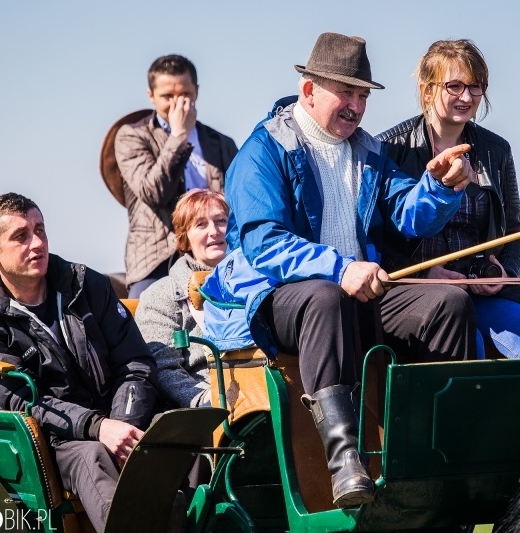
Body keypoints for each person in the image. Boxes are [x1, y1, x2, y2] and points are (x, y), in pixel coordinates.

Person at [199, 32, 478, 509]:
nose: (356, 106)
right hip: (276, 296)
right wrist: (338, 268)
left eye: (363, 96)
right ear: (309, 90)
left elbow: (408, 215)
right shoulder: (262, 150)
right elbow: (264, 243)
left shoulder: (369, 151)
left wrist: (438, 188)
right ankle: (345, 462)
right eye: (346, 93)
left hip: (356, 291)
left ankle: (439, 458)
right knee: (324, 297)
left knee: (448, 303)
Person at [0, 193, 159, 532]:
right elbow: (24, 402)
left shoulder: (87, 284)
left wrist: (122, 425)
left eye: (40, 230)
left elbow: (135, 362)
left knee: (173, 431)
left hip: (115, 415)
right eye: (21, 236)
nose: (37, 243)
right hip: (52, 440)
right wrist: (98, 428)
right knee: (92, 456)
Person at [377, 39, 520, 359]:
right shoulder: (388, 149)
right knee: (470, 350)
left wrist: (503, 272)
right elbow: (373, 238)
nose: (467, 97)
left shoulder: (498, 150)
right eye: (455, 86)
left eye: (476, 86)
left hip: (485, 293)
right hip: (421, 295)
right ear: (427, 90)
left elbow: (514, 230)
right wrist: (422, 275)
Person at [115, 54, 238, 298]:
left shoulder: (220, 143)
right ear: (151, 96)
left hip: (216, 252)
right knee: (144, 314)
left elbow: (237, 201)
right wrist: (179, 136)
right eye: (167, 96)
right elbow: (153, 193)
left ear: (196, 91)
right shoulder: (132, 136)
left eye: (185, 94)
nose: (177, 103)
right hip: (156, 258)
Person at [135, 189, 228, 408]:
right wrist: (204, 399)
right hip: (208, 404)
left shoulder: (257, 281)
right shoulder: (160, 295)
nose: (214, 231)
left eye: (221, 221)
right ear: (185, 238)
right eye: (201, 224)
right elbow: (164, 368)